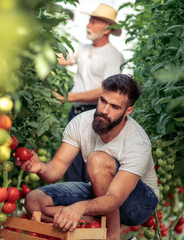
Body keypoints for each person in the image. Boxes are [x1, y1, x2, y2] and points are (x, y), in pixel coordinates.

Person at [15, 74, 159, 240]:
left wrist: (81, 207)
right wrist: (40, 167)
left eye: (114, 107)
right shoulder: (80, 122)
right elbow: (56, 170)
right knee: (33, 201)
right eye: (103, 101)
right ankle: (93, 222)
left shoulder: (137, 142)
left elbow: (114, 198)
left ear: (128, 111)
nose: (104, 110)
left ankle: (111, 237)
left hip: (138, 203)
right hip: (100, 192)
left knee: (97, 160)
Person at [56, 4, 125, 182]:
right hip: (76, 114)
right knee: (72, 166)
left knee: (91, 170)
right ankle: (71, 207)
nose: (88, 25)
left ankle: (90, 209)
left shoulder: (113, 55)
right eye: (89, 21)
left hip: (98, 115)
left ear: (107, 29)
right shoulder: (83, 48)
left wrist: (68, 97)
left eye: (93, 22)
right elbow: (61, 58)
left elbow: (107, 92)